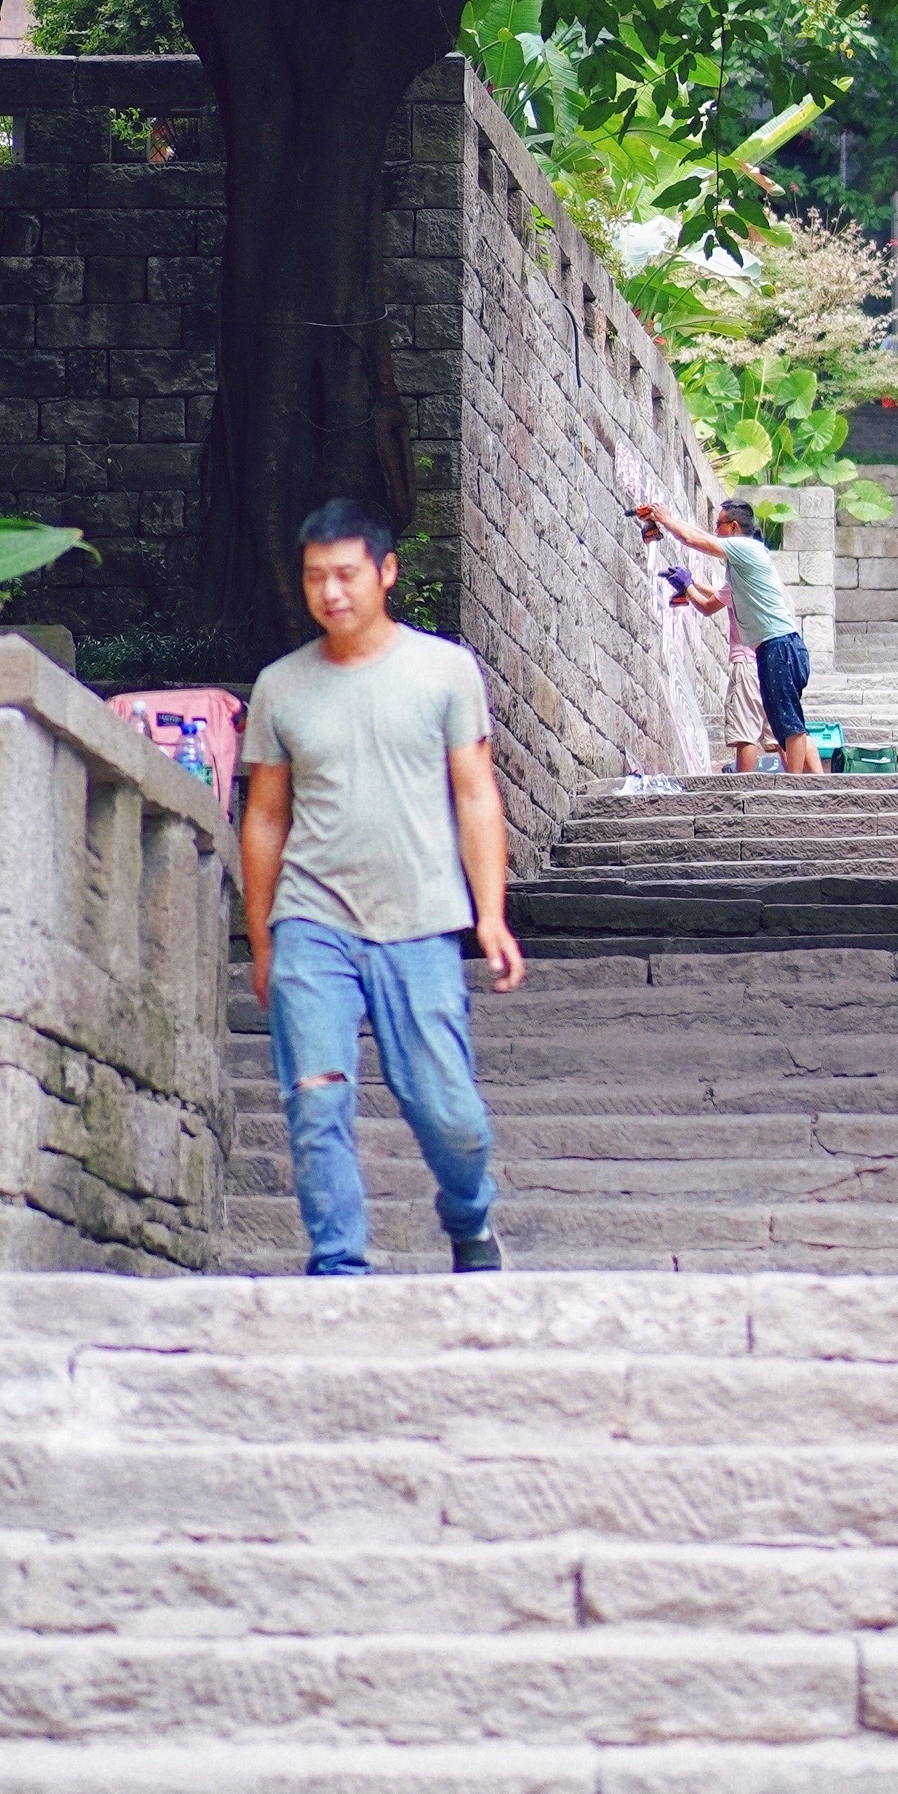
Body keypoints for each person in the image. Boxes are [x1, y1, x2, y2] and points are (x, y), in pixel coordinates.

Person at [237, 497, 524, 1280]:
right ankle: (339, 1269)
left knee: (449, 1113)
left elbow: (475, 796)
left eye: (346, 575)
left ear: (386, 572)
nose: (331, 593)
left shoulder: (444, 671)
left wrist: (490, 916)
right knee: (316, 1098)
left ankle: (469, 1217)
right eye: (314, 579)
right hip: (312, 921)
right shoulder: (280, 687)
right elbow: (264, 818)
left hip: (422, 919)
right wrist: (261, 936)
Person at [637, 497, 817, 774]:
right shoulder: (741, 568)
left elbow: (693, 540)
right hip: (771, 648)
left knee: (788, 723)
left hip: (780, 646)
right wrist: (688, 585)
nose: (715, 530)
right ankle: (809, 783)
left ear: (734, 527)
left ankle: (797, 786)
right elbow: (709, 600)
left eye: (719, 524)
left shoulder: (746, 548)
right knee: (782, 723)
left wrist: (666, 519)